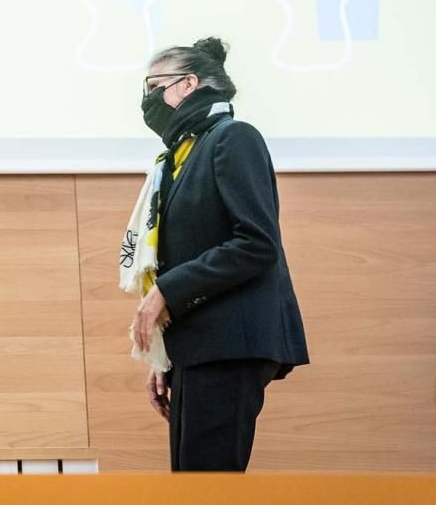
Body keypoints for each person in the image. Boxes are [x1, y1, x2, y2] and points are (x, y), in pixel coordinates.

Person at [128, 37, 308, 471]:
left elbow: (256, 243)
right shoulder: (179, 158)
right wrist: (169, 356)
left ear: (188, 84)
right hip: (201, 346)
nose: (147, 100)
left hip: (231, 342)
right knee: (193, 490)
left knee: (208, 496)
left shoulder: (233, 138)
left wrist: (164, 292)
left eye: (154, 87)